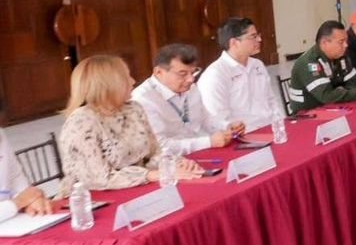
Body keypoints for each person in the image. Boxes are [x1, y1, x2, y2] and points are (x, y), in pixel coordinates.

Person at [59, 54, 203, 192]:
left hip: (140, 187)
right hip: (93, 198)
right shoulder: (81, 122)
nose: (133, 81)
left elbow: (154, 153)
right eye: (126, 77)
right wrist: (152, 175)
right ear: (108, 84)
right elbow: (97, 179)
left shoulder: (134, 109)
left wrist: (175, 163)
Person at [133, 42, 241, 154]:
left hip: (202, 150)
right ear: (159, 72)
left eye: (193, 72)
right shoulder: (143, 100)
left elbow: (205, 119)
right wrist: (208, 142)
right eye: (183, 74)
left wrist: (227, 126)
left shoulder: (190, 88)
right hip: (174, 159)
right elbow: (160, 146)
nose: (191, 79)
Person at [196, 17, 282, 132]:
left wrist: (279, 124)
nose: (259, 39)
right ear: (234, 43)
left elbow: (271, 100)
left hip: (270, 128)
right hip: (242, 135)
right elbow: (216, 120)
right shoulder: (215, 75)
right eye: (253, 36)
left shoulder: (257, 64)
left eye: (258, 35)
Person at [287, 21, 356, 114]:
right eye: (341, 42)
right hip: (307, 114)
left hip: (335, 108)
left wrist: (346, 93)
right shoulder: (309, 63)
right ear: (325, 43)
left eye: (346, 41)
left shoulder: (340, 55)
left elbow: (353, 80)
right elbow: (326, 96)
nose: (346, 45)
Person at [0, 128, 52, 222]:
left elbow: (14, 176)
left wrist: (31, 200)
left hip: (13, 221)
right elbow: (21, 200)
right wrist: (18, 202)